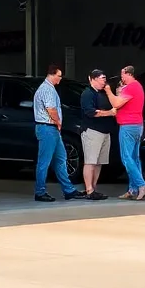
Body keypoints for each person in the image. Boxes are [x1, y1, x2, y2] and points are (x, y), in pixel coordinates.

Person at [31, 64, 83, 203]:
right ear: (52, 74)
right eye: (59, 76)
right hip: (48, 128)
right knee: (44, 162)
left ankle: (69, 190)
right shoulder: (47, 90)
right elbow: (51, 109)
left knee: (61, 159)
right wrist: (58, 122)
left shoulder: (48, 88)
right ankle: (40, 191)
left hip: (50, 129)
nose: (60, 79)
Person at [103, 65, 145, 201]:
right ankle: (133, 189)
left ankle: (142, 185)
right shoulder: (138, 86)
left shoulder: (131, 87)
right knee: (134, 157)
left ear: (128, 74)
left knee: (126, 157)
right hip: (137, 125)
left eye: (122, 75)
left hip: (128, 126)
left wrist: (108, 91)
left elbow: (116, 104)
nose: (121, 77)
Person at [79, 69, 116, 200]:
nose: (104, 81)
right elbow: (91, 112)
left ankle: (94, 188)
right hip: (92, 131)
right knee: (90, 161)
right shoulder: (87, 94)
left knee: (99, 162)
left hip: (105, 131)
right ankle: (89, 189)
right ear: (92, 79)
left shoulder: (103, 93)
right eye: (101, 78)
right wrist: (109, 113)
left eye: (105, 78)